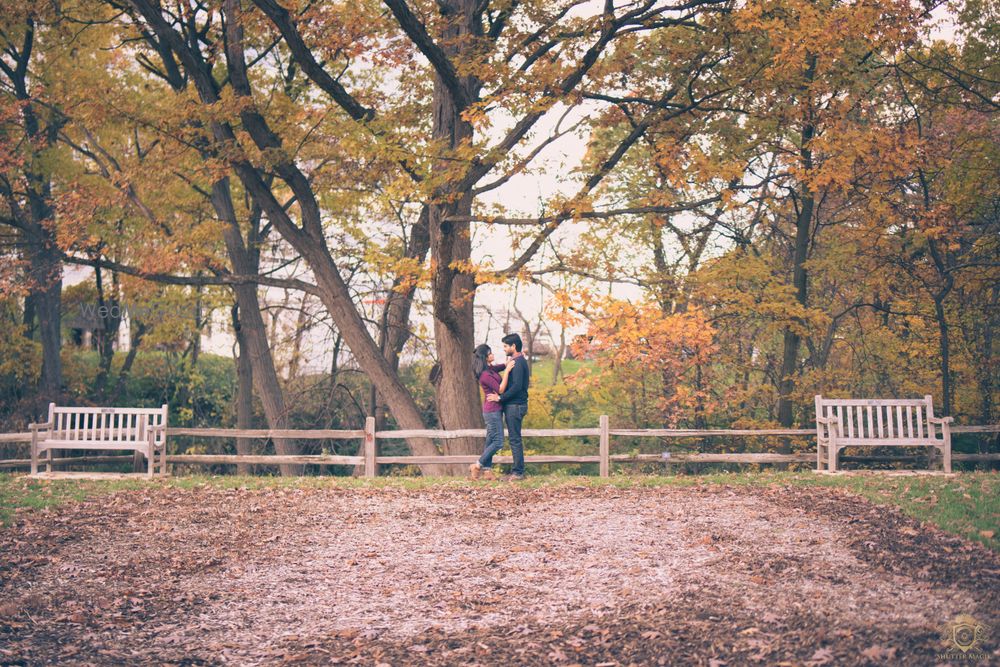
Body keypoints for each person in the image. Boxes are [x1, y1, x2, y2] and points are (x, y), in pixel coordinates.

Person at [486, 333, 530, 480]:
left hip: (515, 406)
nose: (504, 349)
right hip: (513, 405)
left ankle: (518, 473)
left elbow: (517, 386)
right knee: (513, 438)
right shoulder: (515, 361)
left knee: (514, 439)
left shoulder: (518, 363)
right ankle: (517, 471)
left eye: (506, 346)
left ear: (514, 346)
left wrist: (500, 397)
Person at [470, 344, 514, 480]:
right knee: (498, 441)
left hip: (495, 410)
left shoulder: (489, 369)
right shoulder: (484, 375)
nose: (492, 355)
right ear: (485, 357)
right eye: (490, 353)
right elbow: (500, 389)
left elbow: (499, 367)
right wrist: (507, 371)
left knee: (490, 441)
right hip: (492, 411)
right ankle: (477, 465)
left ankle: (487, 471)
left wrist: (507, 364)